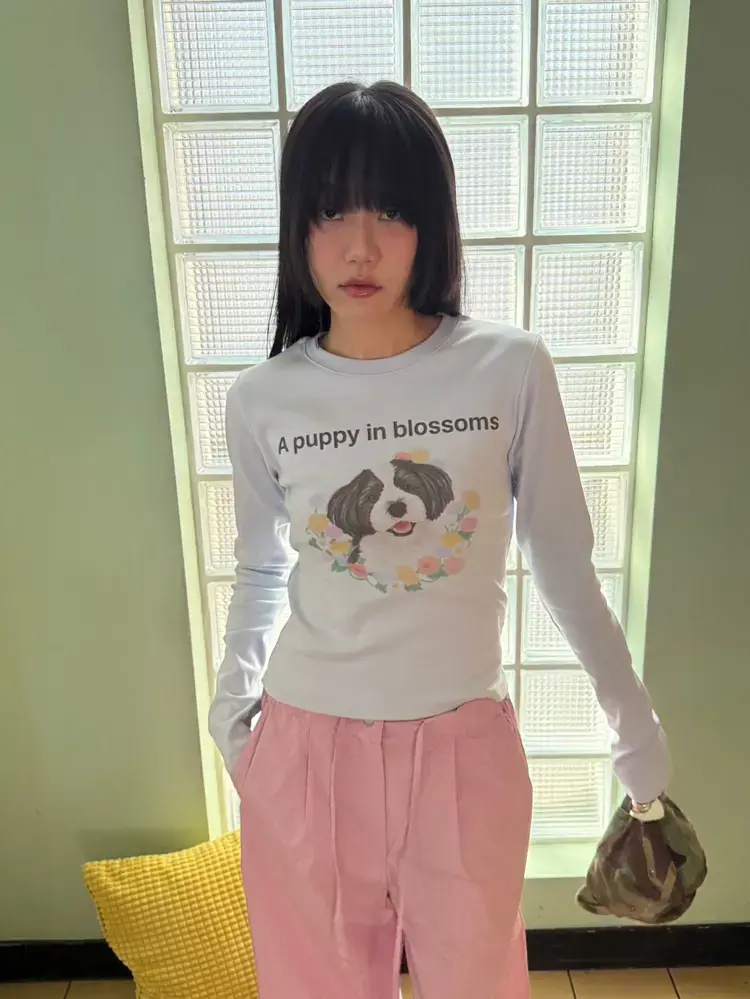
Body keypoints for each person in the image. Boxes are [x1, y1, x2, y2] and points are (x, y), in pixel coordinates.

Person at [208, 80, 670, 999]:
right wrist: (231, 718)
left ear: (433, 223)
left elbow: (563, 563)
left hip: (464, 755)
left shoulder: (508, 368)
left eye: (391, 210)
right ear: (298, 225)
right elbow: (260, 569)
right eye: (331, 210)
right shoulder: (262, 399)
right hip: (303, 752)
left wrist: (635, 726)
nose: (361, 246)